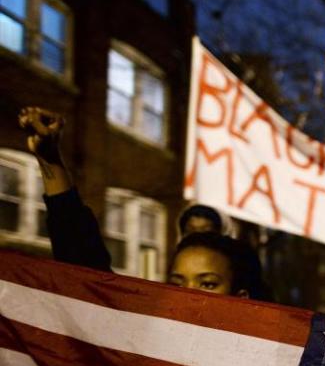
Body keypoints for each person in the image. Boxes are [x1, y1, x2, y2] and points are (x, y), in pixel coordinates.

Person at [18, 106, 269, 300]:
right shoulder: (147, 336)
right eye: (177, 283)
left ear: (241, 297)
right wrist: (50, 160)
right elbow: (87, 272)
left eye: (208, 284)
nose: (189, 294)